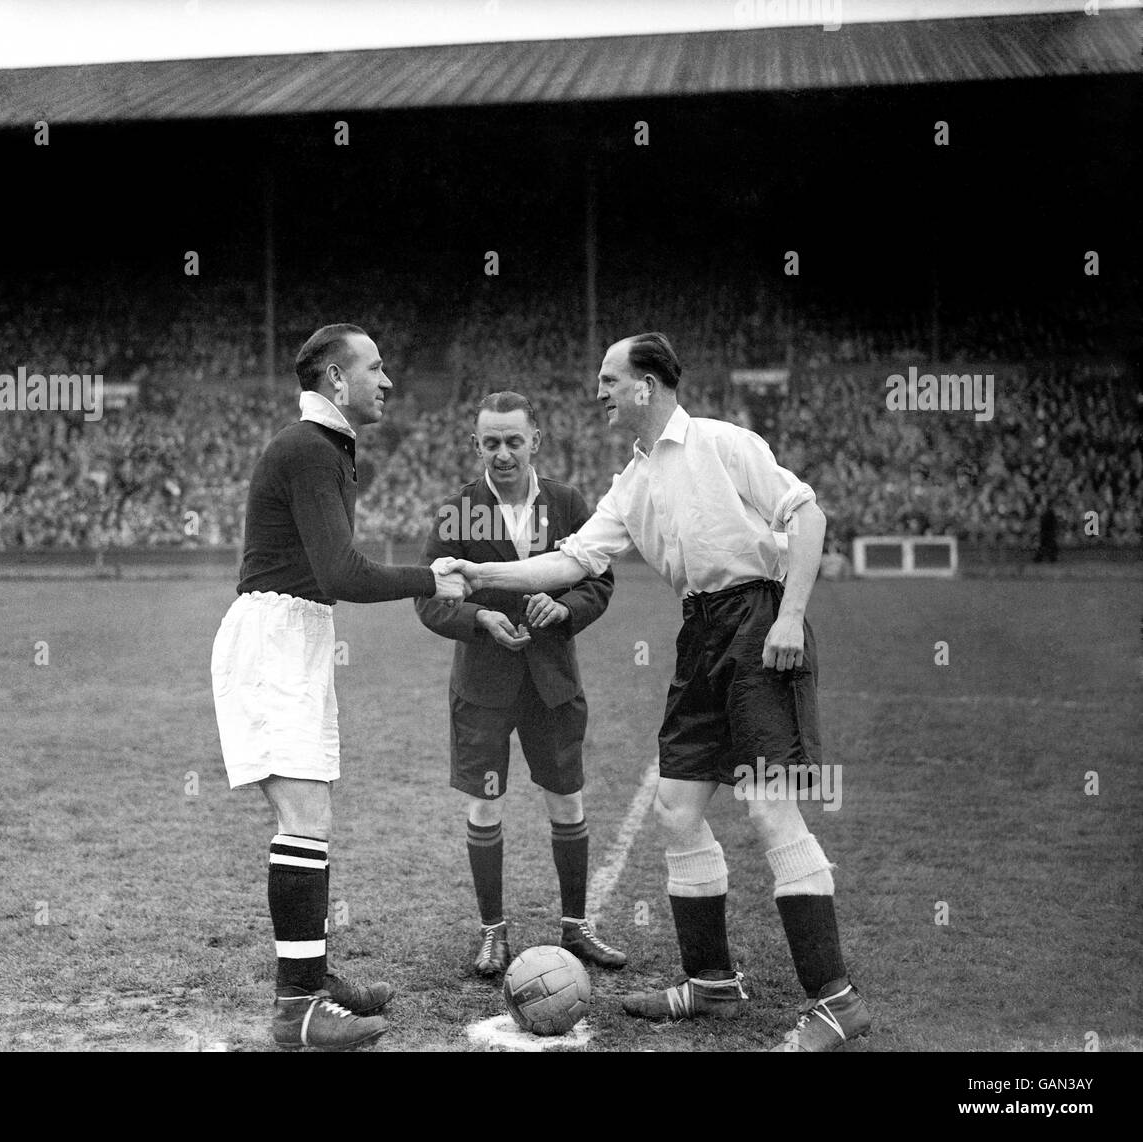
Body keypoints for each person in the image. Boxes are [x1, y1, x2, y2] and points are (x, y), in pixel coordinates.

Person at [443, 333, 871, 1052]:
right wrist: (479, 574)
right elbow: (573, 559)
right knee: (676, 808)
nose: (600, 392)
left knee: (769, 809)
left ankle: (836, 1002)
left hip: (759, 617)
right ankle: (712, 983)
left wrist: (791, 615)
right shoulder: (634, 481)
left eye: (610, 380)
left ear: (647, 385)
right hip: (700, 631)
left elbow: (808, 515)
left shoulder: (723, 442)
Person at [210, 323, 468, 1050]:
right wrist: (433, 577)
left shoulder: (326, 449)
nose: (387, 381)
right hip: (274, 642)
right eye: (375, 367)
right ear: (334, 379)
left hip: (295, 636)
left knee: (311, 818)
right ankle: (297, 1012)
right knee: (302, 820)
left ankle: (313, 978)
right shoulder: (308, 449)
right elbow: (341, 573)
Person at [415, 391, 625, 978]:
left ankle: (577, 929)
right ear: (475, 445)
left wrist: (566, 611)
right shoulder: (457, 512)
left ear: (536, 440)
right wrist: (478, 619)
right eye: (491, 442)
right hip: (483, 686)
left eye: (513, 440)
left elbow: (598, 580)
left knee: (566, 798)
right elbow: (428, 600)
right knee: (486, 804)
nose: (503, 453)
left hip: (553, 682)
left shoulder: (566, 503)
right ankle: (492, 934)